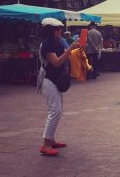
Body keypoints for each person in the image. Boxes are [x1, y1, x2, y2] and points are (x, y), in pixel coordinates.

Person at [37, 18, 80, 156]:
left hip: (55, 79)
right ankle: (46, 144)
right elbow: (55, 62)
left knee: (57, 110)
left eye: (60, 28)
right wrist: (70, 50)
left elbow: (64, 57)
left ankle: (51, 139)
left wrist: (75, 49)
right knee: (55, 110)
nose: (59, 31)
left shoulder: (57, 42)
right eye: (56, 29)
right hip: (48, 79)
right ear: (49, 30)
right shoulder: (47, 44)